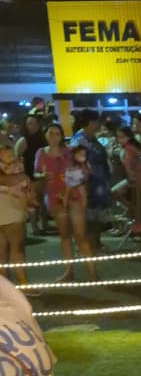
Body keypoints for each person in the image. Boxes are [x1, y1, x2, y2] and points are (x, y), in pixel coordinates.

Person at [35, 124, 95, 282]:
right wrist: (42, 175)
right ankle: (69, 271)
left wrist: (82, 175)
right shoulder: (41, 152)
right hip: (54, 196)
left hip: (74, 194)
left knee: (80, 235)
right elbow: (36, 172)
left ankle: (92, 272)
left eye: (57, 133)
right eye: (50, 133)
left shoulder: (70, 151)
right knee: (65, 235)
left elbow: (85, 167)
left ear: (61, 136)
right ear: (46, 134)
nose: (53, 137)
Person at [70, 111, 113, 253]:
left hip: (98, 183)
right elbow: (76, 163)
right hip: (88, 183)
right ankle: (88, 245)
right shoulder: (79, 140)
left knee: (97, 215)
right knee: (88, 216)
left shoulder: (91, 137)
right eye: (97, 121)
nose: (99, 124)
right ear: (90, 122)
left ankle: (96, 243)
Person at [0, 145, 30, 285]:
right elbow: (17, 180)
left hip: (11, 210)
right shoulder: (12, 170)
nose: (12, 158)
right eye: (8, 155)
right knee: (17, 249)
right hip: (12, 211)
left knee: (2, 251)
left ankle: (5, 287)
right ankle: (23, 283)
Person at [15, 114, 47, 234]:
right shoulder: (23, 140)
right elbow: (16, 159)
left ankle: (44, 224)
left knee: (43, 201)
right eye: (30, 123)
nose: (33, 126)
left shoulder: (43, 139)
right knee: (33, 201)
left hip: (42, 174)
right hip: (29, 175)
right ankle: (34, 227)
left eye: (35, 123)